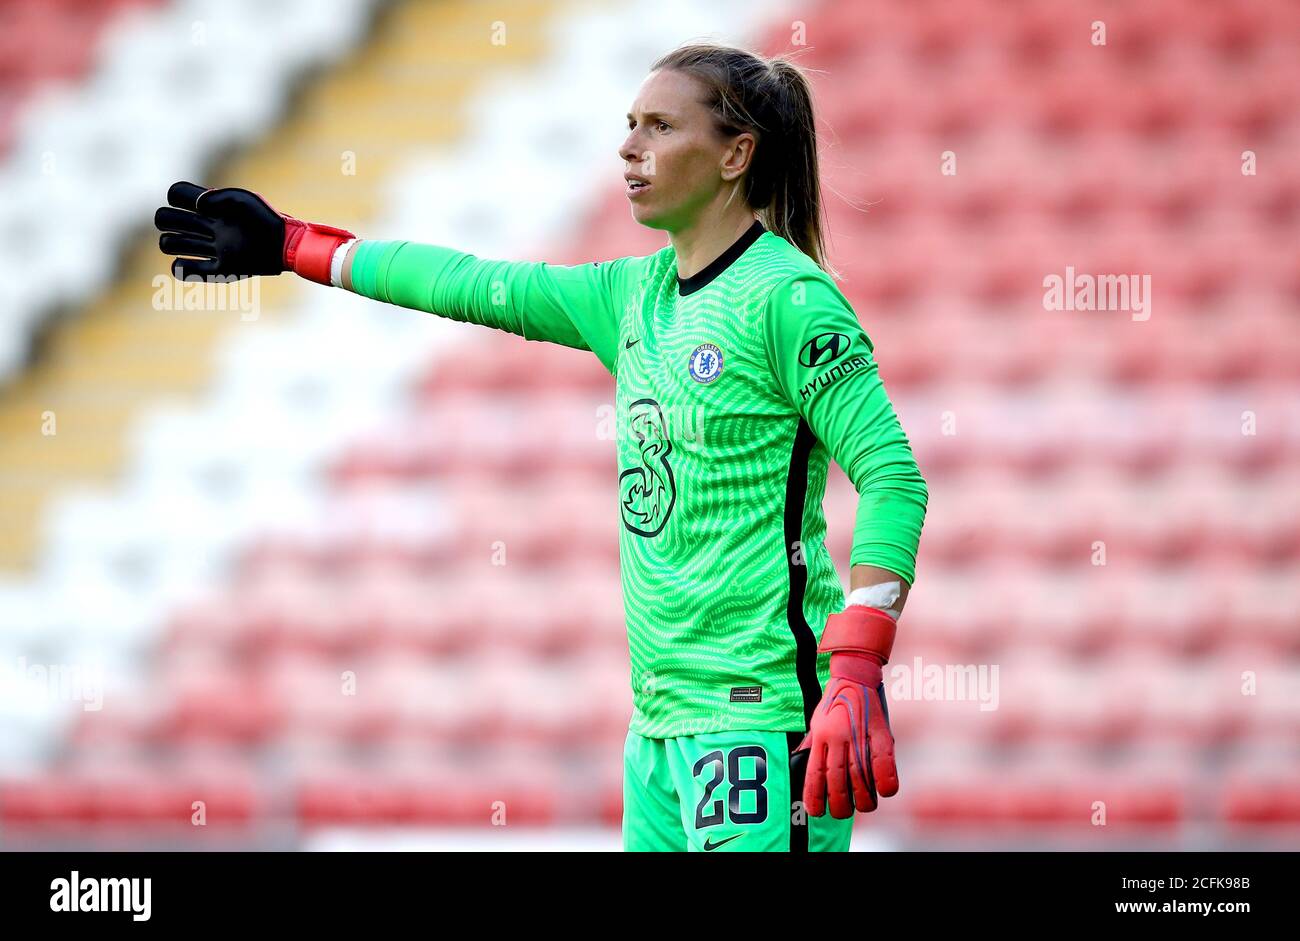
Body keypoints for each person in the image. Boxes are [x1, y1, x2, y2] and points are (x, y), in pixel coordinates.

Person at [155, 41, 929, 852]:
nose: (630, 147)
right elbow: (468, 283)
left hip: (764, 721)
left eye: (660, 127)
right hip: (661, 730)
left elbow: (893, 479)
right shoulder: (632, 295)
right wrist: (292, 246)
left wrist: (855, 667)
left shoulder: (790, 299)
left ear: (737, 154)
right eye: (630, 125)